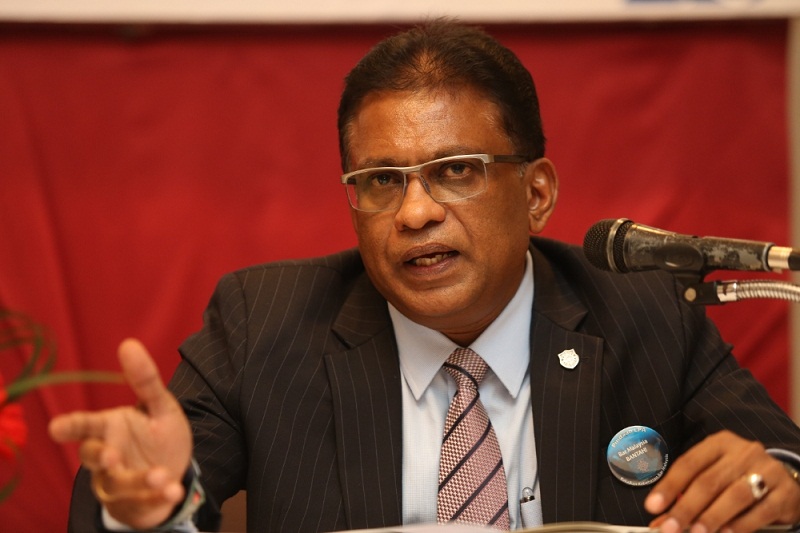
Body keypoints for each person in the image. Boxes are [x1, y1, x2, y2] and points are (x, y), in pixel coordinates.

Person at [50, 19, 800, 533]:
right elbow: (128, 500)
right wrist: (148, 503)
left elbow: (781, 459)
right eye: (381, 180)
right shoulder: (263, 320)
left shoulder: (644, 312)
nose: (413, 213)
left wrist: (777, 480)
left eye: (456, 172)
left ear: (537, 193)